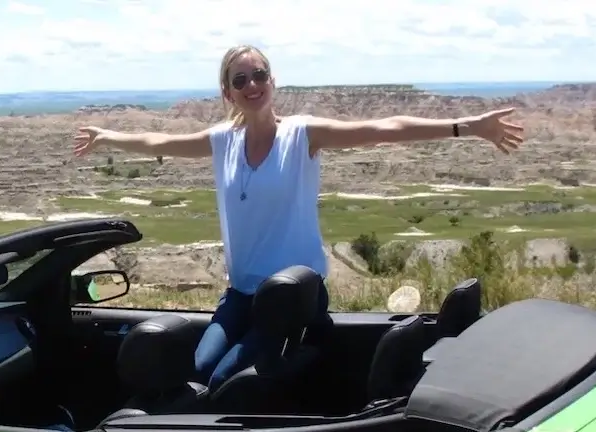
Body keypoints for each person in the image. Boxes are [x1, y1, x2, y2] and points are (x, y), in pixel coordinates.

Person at [71, 44, 526, 389]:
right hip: (240, 297)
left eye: (259, 75)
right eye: (240, 79)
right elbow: (157, 144)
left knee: (222, 382)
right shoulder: (221, 142)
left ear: (273, 80)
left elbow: (385, 128)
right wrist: (107, 136)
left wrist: (467, 127)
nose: (252, 85)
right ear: (227, 91)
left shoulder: (302, 135)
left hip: (291, 301)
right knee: (198, 369)